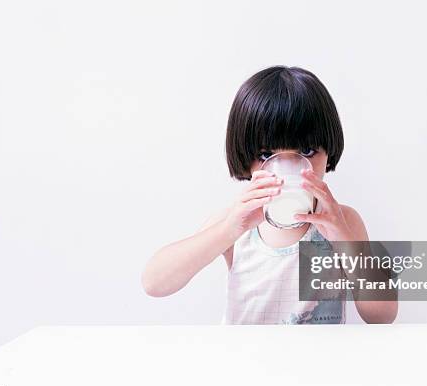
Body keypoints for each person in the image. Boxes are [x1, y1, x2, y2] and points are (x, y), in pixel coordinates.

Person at [142, 66, 397, 324]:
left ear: (328, 152)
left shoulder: (343, 221)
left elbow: (382, 316)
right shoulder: (234, 224)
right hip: (248, 362)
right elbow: (154, 283)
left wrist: (344, 241)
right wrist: (227, 231)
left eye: (307, 151)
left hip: (321, 363)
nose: (289, 169)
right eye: (266, 155)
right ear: (245, 157)